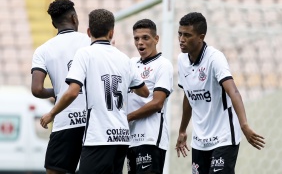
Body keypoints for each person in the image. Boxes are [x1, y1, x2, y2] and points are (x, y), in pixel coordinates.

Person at [40, 9, 149, 174]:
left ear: (89, 31)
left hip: (99, 136)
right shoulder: (124, 59)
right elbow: (144, 92)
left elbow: (72, 92)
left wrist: (51, 114)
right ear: (112, 33)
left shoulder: (85, 54)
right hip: (120, 137)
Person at [175, 12, 265, 174]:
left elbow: (234, 92)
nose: (181, 39)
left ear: (201, 37)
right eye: (180, 34)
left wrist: (244, 125)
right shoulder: (182, 60)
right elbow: (188, 96)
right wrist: (182, 130)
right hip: (199, 141)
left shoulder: (215, 58)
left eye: (187, 35)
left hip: (223, 137)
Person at [31, 0, 90, 174]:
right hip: (92, 122)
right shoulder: (90, 42)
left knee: (55, 170)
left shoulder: (43, 50)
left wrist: (58, 91)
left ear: (53, 23)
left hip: (65, 122)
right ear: (74, 18)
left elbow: (37, 89)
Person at [126, 19, 173, 174]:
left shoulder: (163, 65)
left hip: (150, 139)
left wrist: (127, 117)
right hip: (130, 140)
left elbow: (157, 103)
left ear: (156, 39)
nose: (140, 43)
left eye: (145, 38)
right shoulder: (131, 64)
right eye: (136, 38)